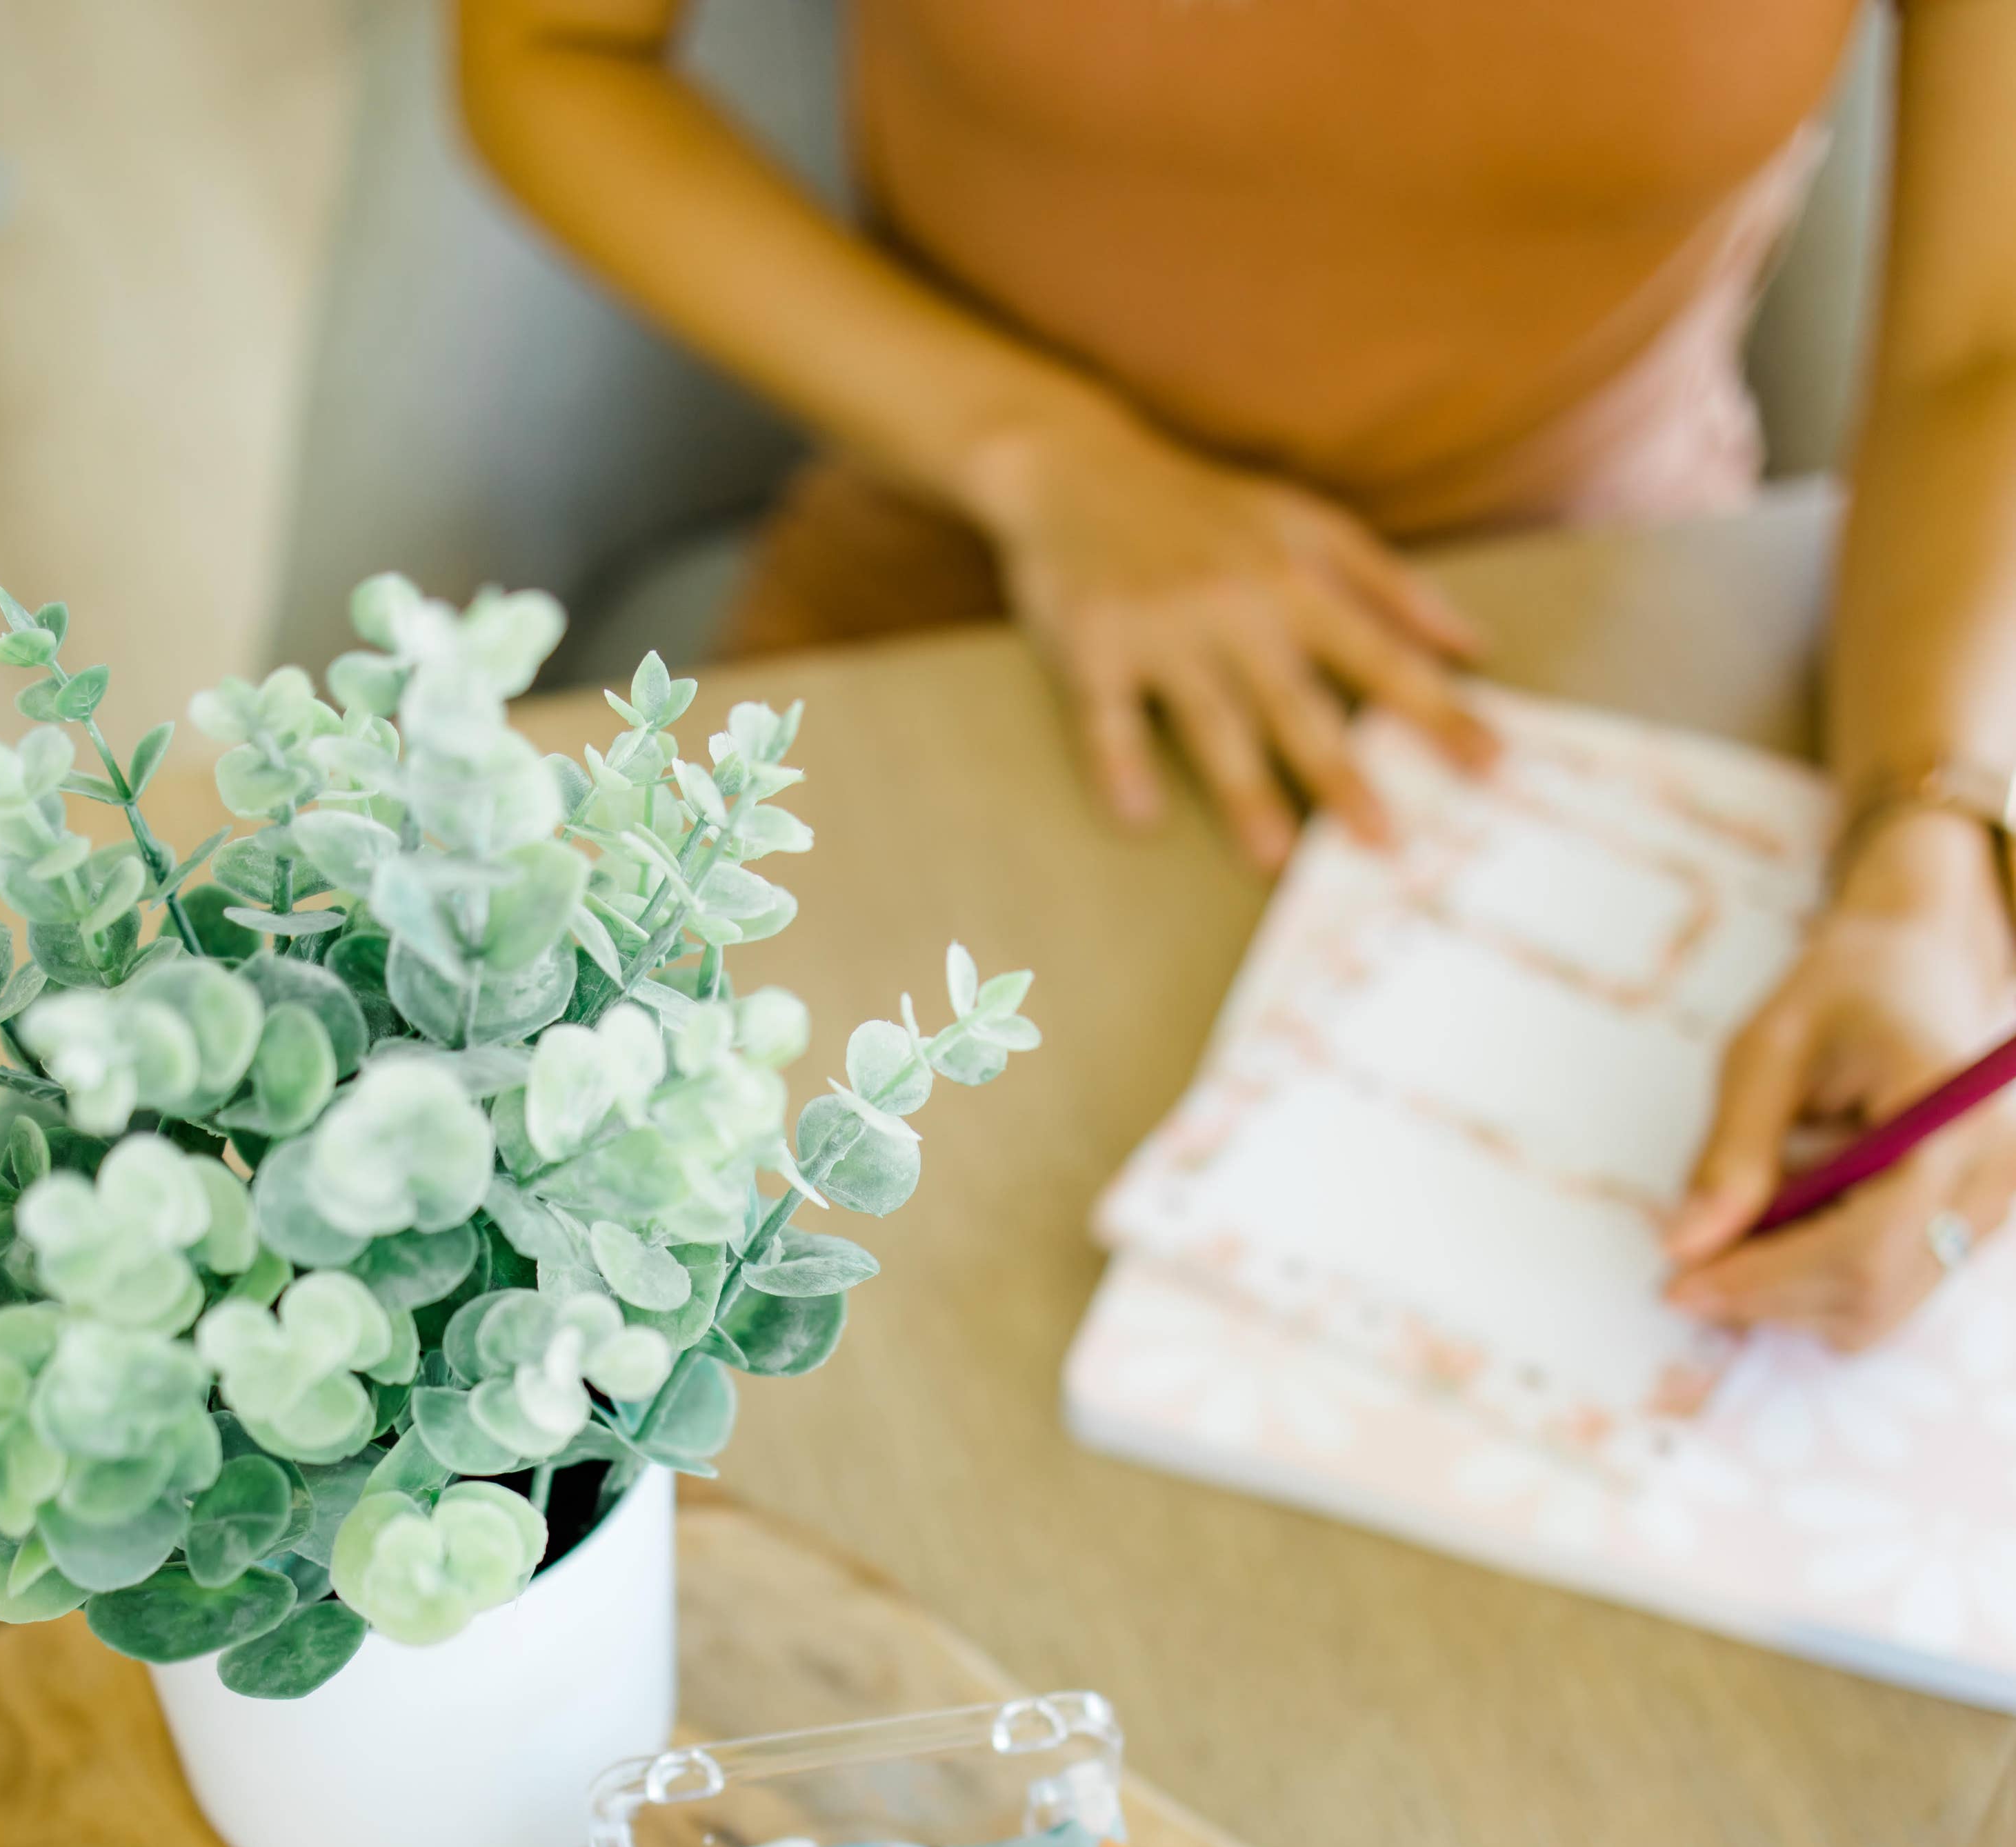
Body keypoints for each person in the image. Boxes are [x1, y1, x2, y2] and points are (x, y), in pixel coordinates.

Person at [461, 0, 2016, 1349]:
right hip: (963, 617)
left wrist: (1935, 840)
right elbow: (553, 56)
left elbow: (1983, 346)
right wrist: (1047, 458)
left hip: (1590, 665)